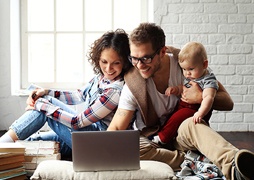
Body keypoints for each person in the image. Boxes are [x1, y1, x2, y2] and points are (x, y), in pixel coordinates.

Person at [107, 23, 254, 180]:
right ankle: (194, 159)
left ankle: (234, 165)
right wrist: (101, 149)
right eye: (134, 58)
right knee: (132, 148)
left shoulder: (186, 65)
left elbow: (228, 102)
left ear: (162, 52)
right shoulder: (134, 83)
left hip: (183, 134)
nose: (139, 65)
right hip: (154, 140)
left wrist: (199, 97)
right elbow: (117, 125)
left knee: (193, 123)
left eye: (146, 58)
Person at [0, 29, 132, 158]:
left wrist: (41, 105)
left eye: (116, 63)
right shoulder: (100, 78)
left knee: (47, 105)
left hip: (95, 144)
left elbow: (77, 122)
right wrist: (46, 92)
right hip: (82, 136)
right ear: (98, 58)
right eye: (104, 62)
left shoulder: (115, 91)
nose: (108, 68)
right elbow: (78, 95)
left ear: (125, 62)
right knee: (33, 141)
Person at [153, 41, 219, 145]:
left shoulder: (208, 79)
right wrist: (176, 89)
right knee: (171, 117)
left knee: (177, 118)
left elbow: (208, 98)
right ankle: (169, 136)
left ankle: (163, 138)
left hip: (194, 109)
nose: (187, 73)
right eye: (184, 69)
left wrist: (200, 113)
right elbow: (184, 88)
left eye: (191, 69)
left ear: (204, 64)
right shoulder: (191, 76)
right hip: (182, 105)